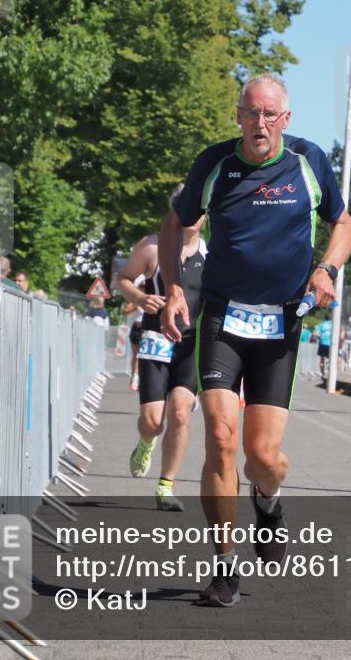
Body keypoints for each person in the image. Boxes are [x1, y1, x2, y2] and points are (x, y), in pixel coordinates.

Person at [159, 73, 351, 607]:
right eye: (252, 112)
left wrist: (328, 271)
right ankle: (224, 566)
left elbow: (343, 223)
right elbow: (173, 226)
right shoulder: (216, 163)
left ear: (286, 120)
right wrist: (176, 289)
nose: (260, 123)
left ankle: (268, 502)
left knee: (263, 456)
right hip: (223, 317)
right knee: (221, 436)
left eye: (271, 114)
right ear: (239, 115)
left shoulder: (309, 161)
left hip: (281, 324)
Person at [117, 189, 208, 512]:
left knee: (181, 413)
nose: (194, 216)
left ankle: (166, 485)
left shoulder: (212, 254)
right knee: (153, 421)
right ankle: (146, 441)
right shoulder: (152, 247)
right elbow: (124, 279)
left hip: (191, 343)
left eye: (200, 210)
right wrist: (141, 299)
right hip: (156, 338)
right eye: (188, 209)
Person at [315, 314, 333, 379]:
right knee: (330, 359)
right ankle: (329, 373)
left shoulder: (321, 324)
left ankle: (322, 374)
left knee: (322, 360)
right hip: (331, 344)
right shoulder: (334, 324)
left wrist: (319, 338)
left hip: (322, 343)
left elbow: (316, 334)